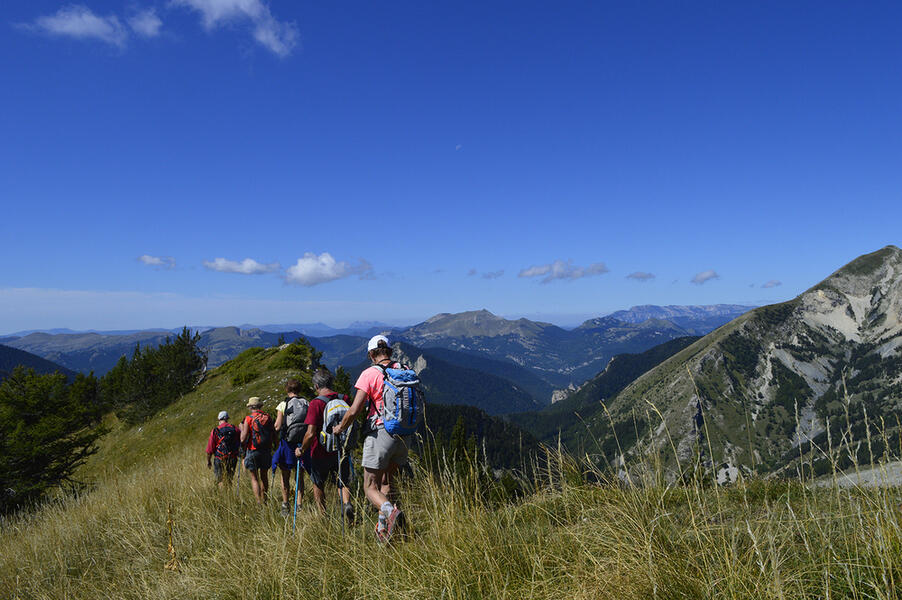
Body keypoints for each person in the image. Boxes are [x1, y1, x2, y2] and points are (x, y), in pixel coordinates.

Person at [333, 335, 408, 542]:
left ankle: (391, 513)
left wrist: (341, 427)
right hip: (403, 435)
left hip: (380, 433)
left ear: (371, 354)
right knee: (387, 483)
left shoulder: (369, 373)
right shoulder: (403, 369)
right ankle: (384, 531)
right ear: (390, 352)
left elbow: (354, 410)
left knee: (370, 486)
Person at [296, 367, 354, 520]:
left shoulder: (315, 404)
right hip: (341, 449)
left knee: (318, 483)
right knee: (343, 481)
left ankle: (323, 515)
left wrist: (302, 449)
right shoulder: (344, 398)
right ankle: (347, 503)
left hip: (320, 451)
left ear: (316, 387)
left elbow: (310, 433)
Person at [272, 379, 308, 517]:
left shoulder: (283, 404)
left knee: (285, 475)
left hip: (287, 443)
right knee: (299, 475)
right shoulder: (306, 402)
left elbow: (277, 425)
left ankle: (286, 505)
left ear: (287, 390)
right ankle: (299, 505)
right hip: (302, 443)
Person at [239, 397, 274, 504]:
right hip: (266, 450)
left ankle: (258, 501)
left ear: (250, 407)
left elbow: (243, 438)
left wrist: (241, 429)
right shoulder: (267, 417)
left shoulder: (248, 419)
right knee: (264, 476)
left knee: (254, 478)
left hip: (253, 450)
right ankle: (265, 500)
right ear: (260, 406)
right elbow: (273, 433)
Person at [205, 410, 240, 488]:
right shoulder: (235, 429)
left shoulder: (215, 431)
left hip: (219, 458)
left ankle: (223, 497)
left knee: (220, 480)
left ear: (219, 419)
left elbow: (210, 449)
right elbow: (241, 440)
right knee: (229, 479)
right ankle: (229, 496)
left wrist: (208, 461)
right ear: (227, 418)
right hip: (232, 457)